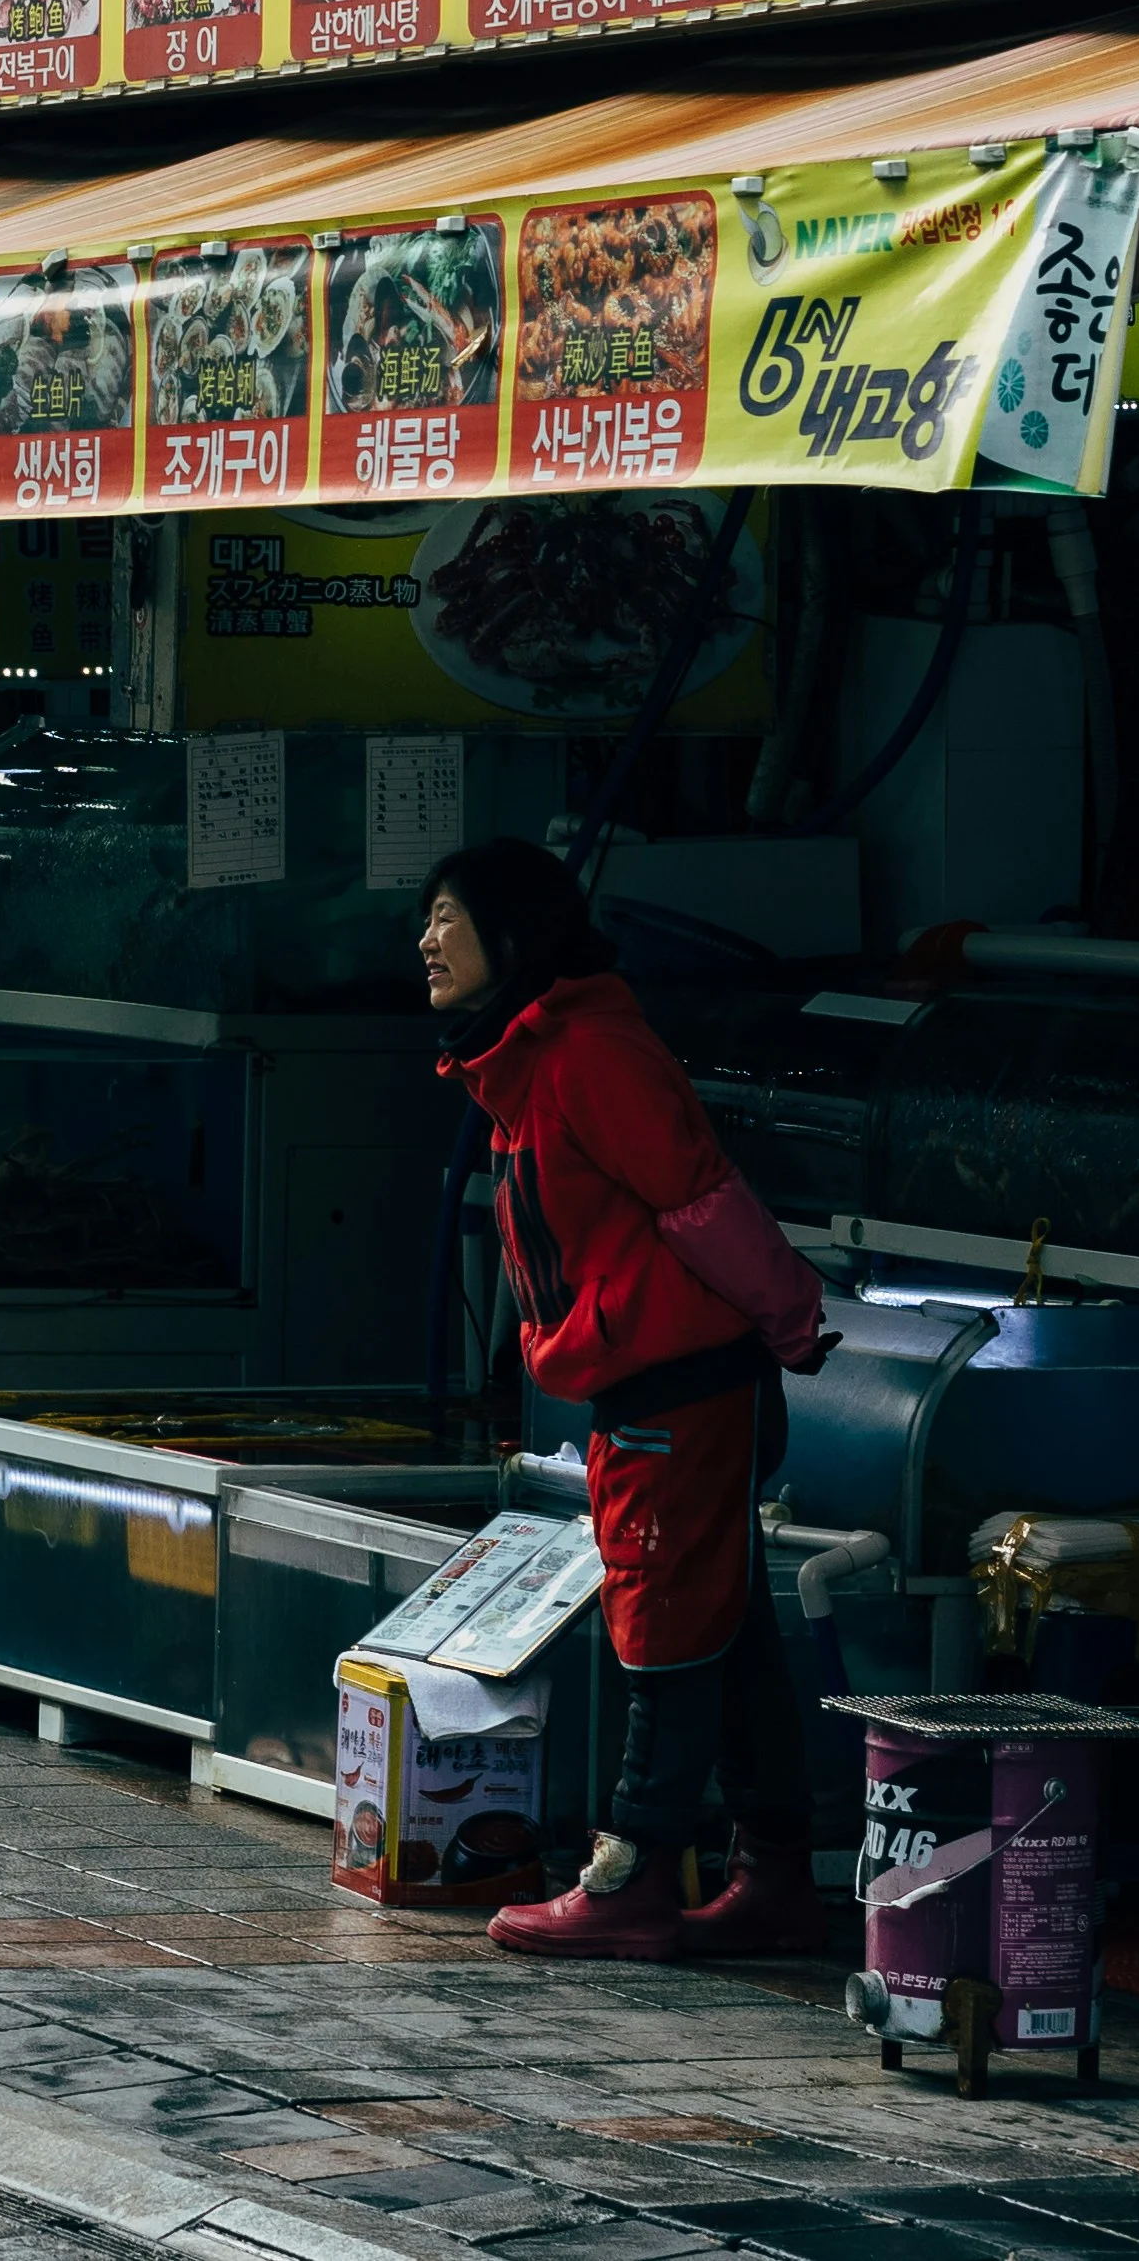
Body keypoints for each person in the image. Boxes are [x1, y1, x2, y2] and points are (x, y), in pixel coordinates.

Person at [426, 836, 838, 1963]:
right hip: (647, 1378)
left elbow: (700, 1199)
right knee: (726, 1628)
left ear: (513, 936)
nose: (426, 940)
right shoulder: (529, 1059)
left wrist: (791, 1317)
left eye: (449, 917)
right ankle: (777, 1879)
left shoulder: (590, 1053)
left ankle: (634, 1875)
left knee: (659, 1622)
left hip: (686, 1383)